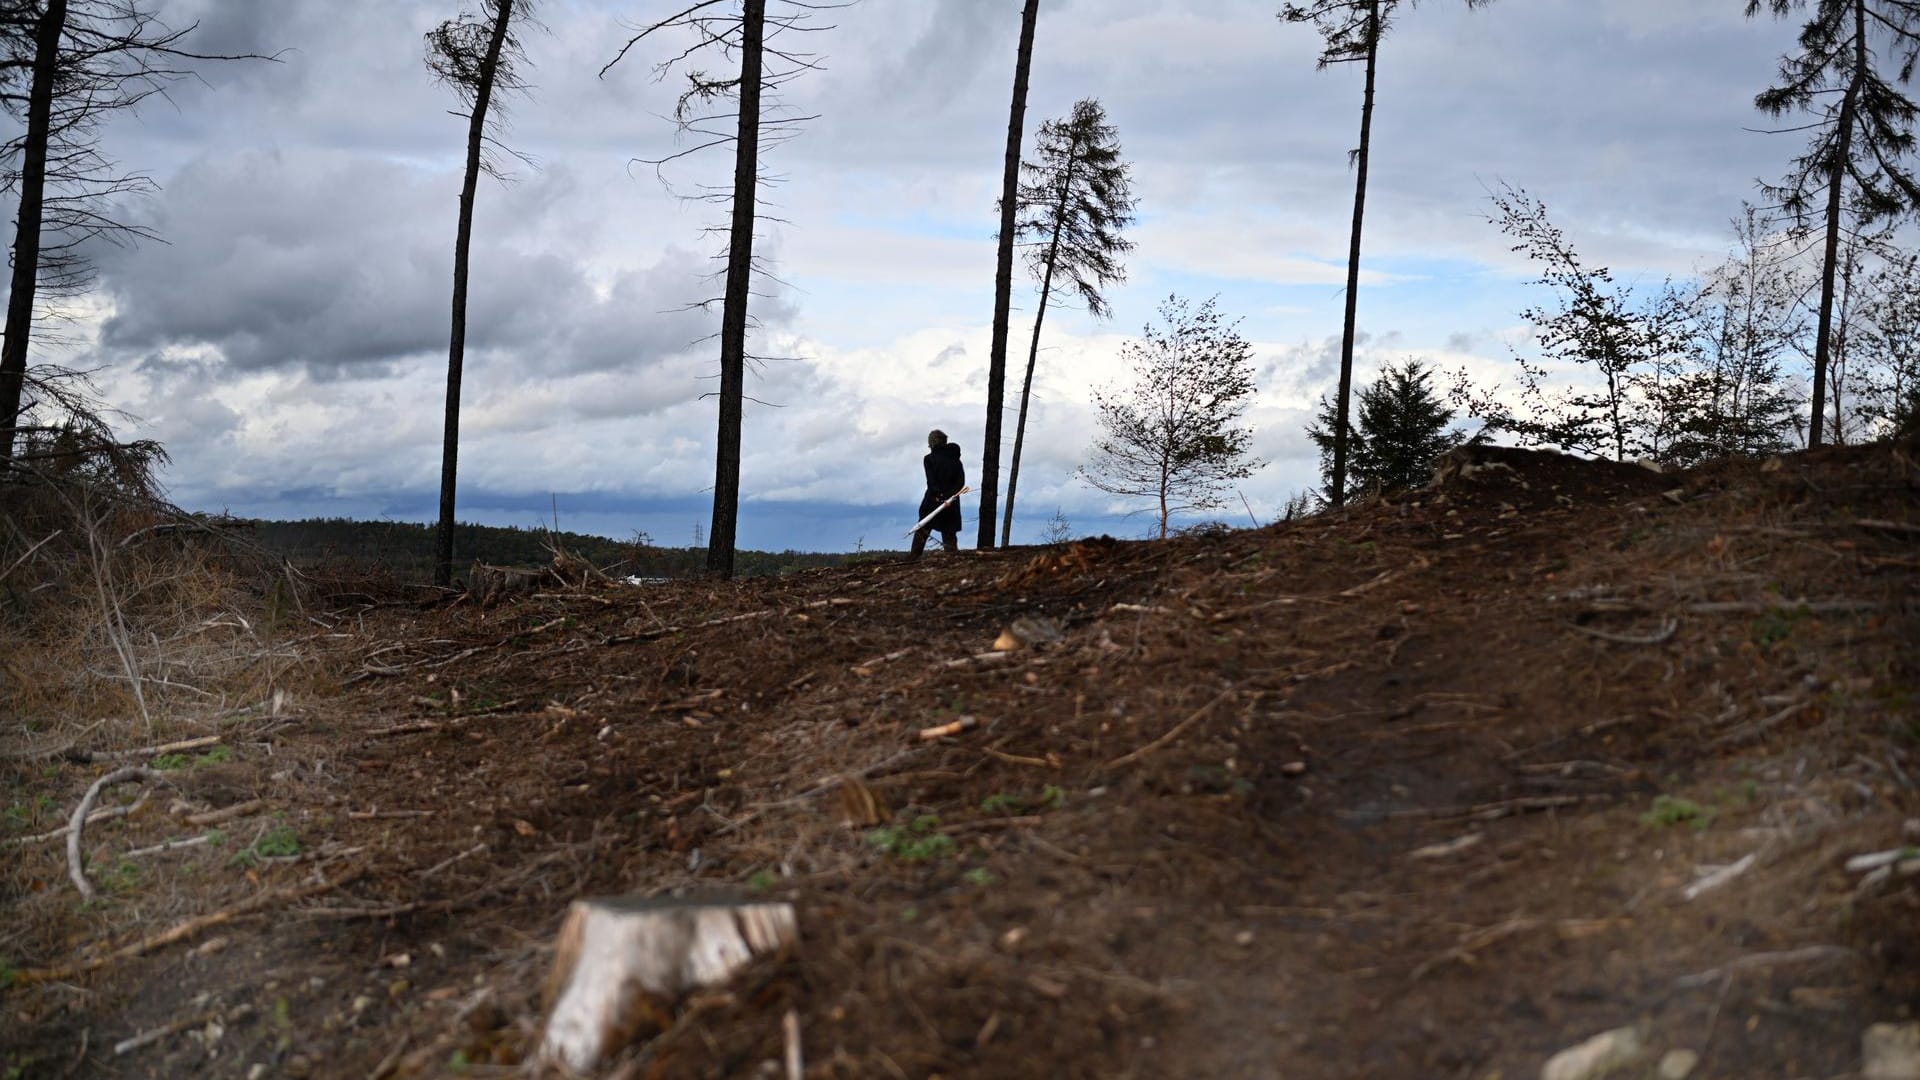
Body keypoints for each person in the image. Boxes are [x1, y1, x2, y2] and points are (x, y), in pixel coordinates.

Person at [909, 429, 965, 559]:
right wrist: (949, 496)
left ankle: (913, 558)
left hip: (933, 500)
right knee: (949, 532)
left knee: (923, 528)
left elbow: (931, 481)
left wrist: (939, 495)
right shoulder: (956, 460)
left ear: (931, 443)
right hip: (951, 501)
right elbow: (961, 482)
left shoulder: (929, 459)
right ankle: (952, 559)